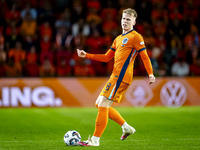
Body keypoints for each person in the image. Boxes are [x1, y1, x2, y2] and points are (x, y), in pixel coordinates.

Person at [77, 8, 155, 146]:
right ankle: (126, 127)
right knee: (99, 103)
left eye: (128, 19)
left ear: (134, 22)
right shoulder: (118, 39)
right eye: (124, 18)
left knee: (103, 104)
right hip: (115, 75)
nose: (125, 21)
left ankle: (95, 140)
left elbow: (145, 56)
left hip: (122, 77)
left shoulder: (136, 37)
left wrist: (150, 74)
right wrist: (87, 55)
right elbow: (107, 57)